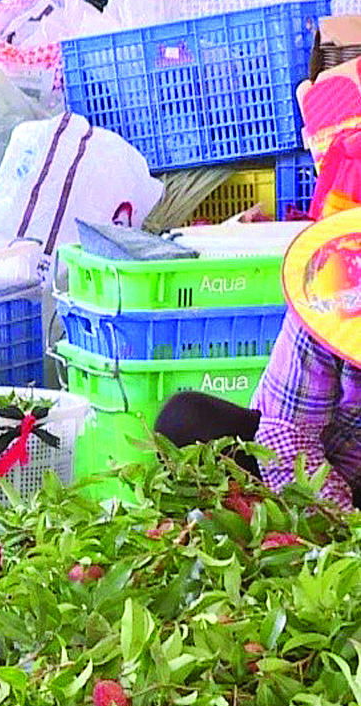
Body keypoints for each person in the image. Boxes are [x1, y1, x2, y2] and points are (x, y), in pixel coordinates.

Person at [154, 209, 361, 505]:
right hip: (288, 465)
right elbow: (288, 436)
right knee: (184, 421)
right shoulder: (328, 298)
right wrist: (341, 522)